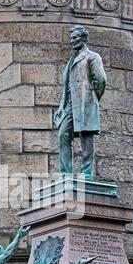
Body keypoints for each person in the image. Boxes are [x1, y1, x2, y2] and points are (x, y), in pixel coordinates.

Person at [54, 25, 107, 180]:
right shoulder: (71, 60)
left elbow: (101, 80)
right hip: (69, 106)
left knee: (86, 136)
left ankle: (87, 174)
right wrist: (61, 107)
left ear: (84, 38)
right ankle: (65, 174)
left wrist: (92, 98)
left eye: (76, 37)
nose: (73, 41)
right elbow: (67, 86)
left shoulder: (92, 57)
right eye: (71, 38)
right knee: (63, 135)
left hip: (86, 102)